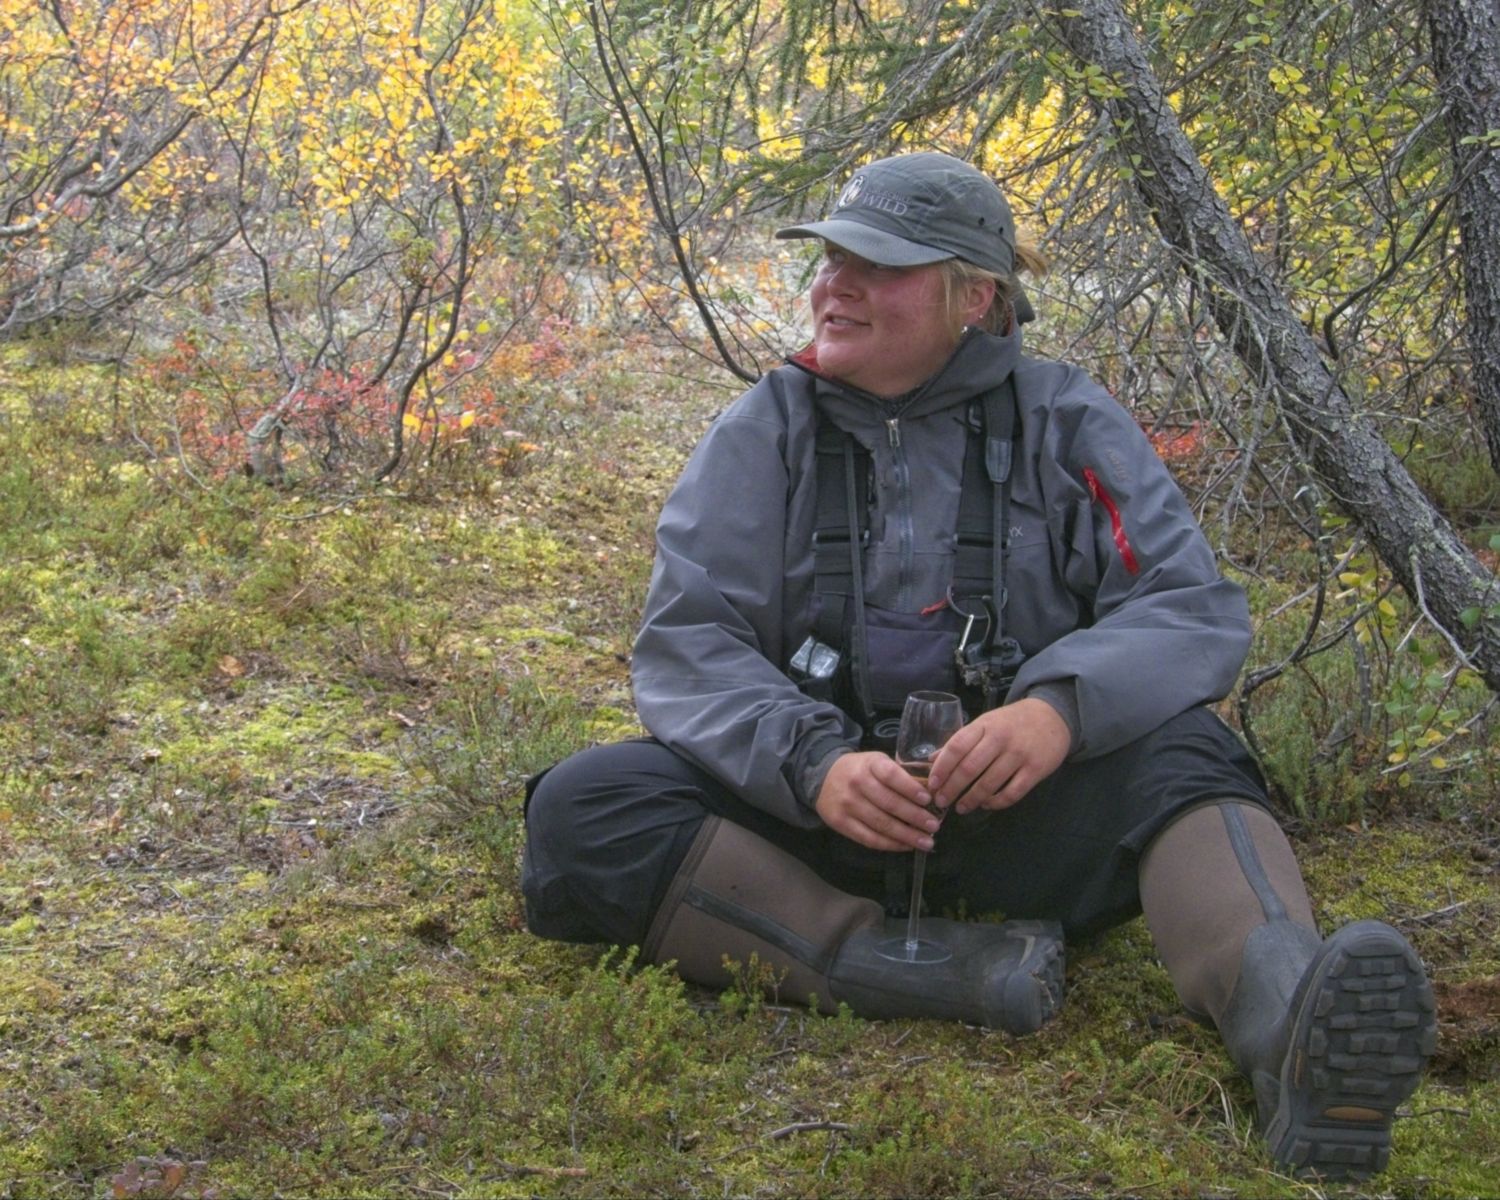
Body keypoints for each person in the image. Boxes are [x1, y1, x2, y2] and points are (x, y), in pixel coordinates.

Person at [520, 151, 1436, 1180]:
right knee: (586, 806)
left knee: (1188, 753)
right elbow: (690, 640)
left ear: (976, 296)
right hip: (813, 833)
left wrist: (1057, 712)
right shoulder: (763, 430)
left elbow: (1186, 608)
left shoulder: (1066, 420)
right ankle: (909, 968)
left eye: (880, 266)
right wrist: (814, 765)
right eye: (831, 260)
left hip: (1022, 819)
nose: (836, 286)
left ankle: (1287, 1021)